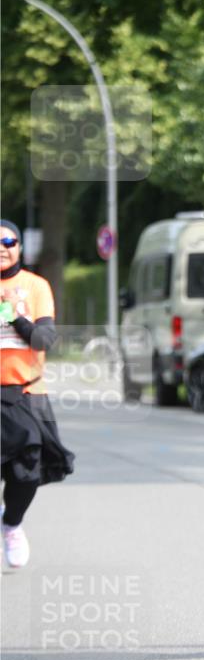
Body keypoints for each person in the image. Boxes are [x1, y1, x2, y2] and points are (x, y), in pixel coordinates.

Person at [0, 219, 74, 568]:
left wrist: (13, 315)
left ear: (18, 247)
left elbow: (45, 340)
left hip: (27, 392)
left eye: (8, 240)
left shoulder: (35, 286)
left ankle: (12, 524)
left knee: (26, 473)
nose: (2, 246)